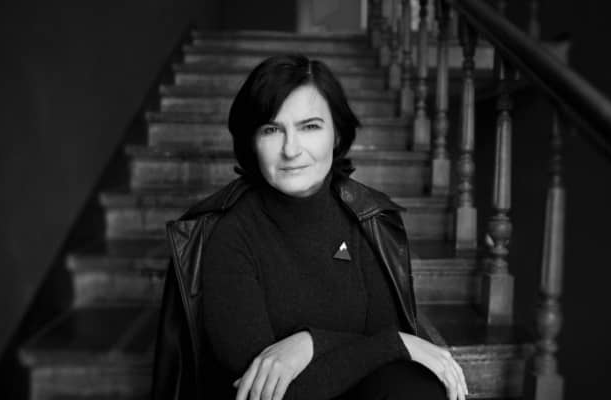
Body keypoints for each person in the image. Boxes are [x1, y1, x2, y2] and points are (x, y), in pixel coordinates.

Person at [151, 54, 468, 400]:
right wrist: (390, 344)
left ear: (336, 134)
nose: (291, 149)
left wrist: (308, 344)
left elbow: (386, 350)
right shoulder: (228, 235)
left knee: (417, 388)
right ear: (252, 143)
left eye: (310, 126)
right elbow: (266, 391)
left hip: (358, 391)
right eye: (271, 130)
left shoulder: (367, 219)